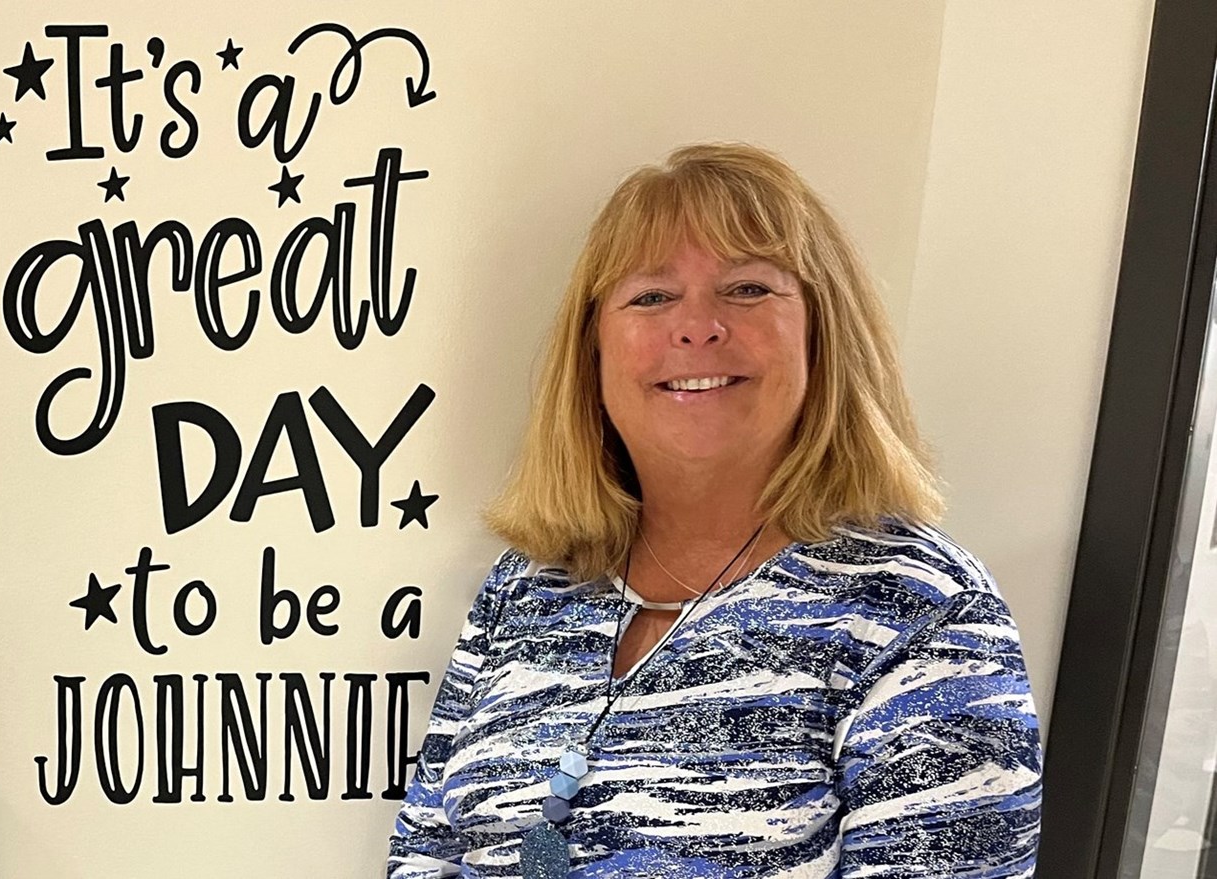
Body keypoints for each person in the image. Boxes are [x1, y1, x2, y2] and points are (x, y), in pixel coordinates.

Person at [388, 144, 1042, 878]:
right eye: (650, 296)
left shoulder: (921, 610)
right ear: (593, 350)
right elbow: (423, 851)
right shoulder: (527, 586)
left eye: (747, 289)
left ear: (822, 335)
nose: (696, 326)